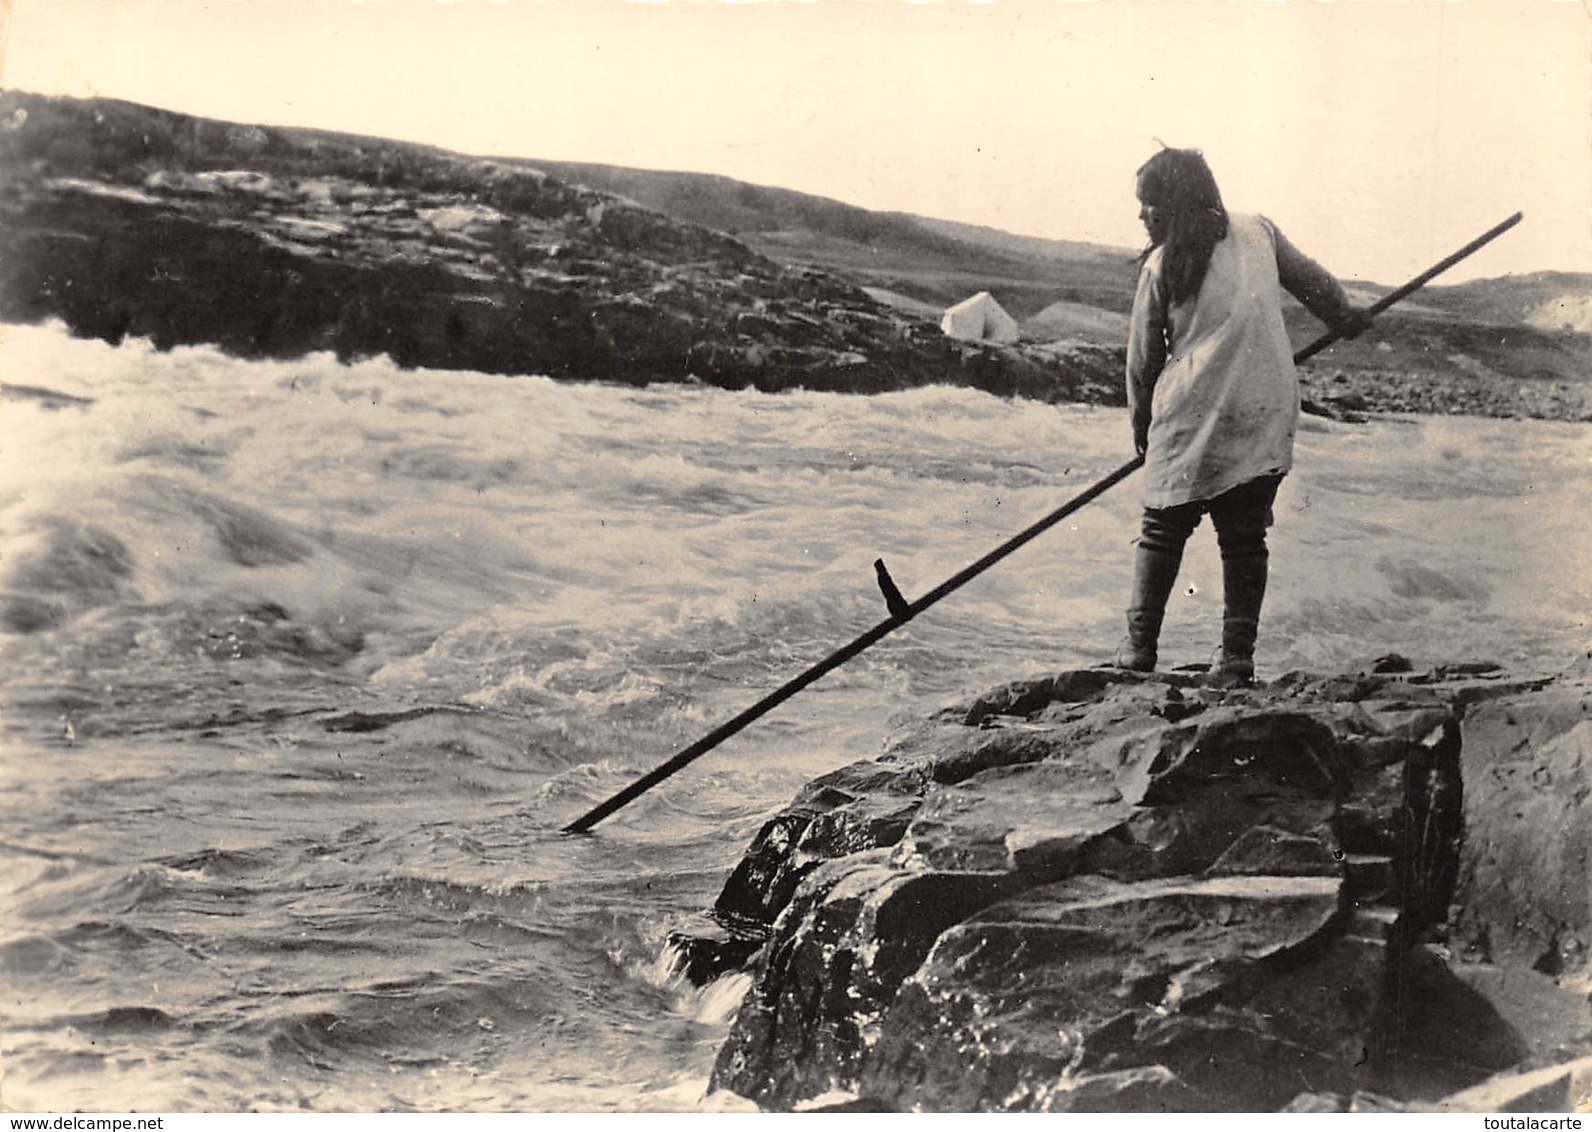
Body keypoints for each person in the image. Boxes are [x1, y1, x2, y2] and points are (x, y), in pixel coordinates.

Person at [1116, 147, 1370, 685]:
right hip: (1262, 405)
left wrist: (1142, 429)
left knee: (1162, 531)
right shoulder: (1259, 230)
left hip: (1190, 412)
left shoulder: (1162, 265)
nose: (1142, 216)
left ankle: (1139, 650)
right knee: (1244, 537)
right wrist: (1343, 315)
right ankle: (1236, 659)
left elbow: (1142, 362)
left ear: (1174, 203)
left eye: (1148, 204)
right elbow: (1314, 282)